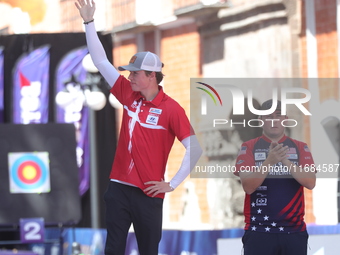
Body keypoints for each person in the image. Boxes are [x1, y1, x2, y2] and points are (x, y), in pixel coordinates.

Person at [75, 1, 203, 255]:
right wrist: (89, 23)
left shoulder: (171, 109)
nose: (130, 77)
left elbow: (195, 148)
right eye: (129, 72)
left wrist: (173, 183)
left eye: (135, 73)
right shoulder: (127, 94)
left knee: (148, 251)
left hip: (149, 193)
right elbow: (100, 61)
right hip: (119, 187)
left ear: (152, 76)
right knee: (113, 249)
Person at [234, 99, 316, 255]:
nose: (274, 121)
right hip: (259, 230)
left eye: (278, 115)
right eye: (268, 116)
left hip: (294, 231)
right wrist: (270, 161)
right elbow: (248, 187)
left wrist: (285, 160)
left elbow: (310, 182)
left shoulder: (300, 147)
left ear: (285, 119)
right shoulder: (248, 147)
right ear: (261, 121)